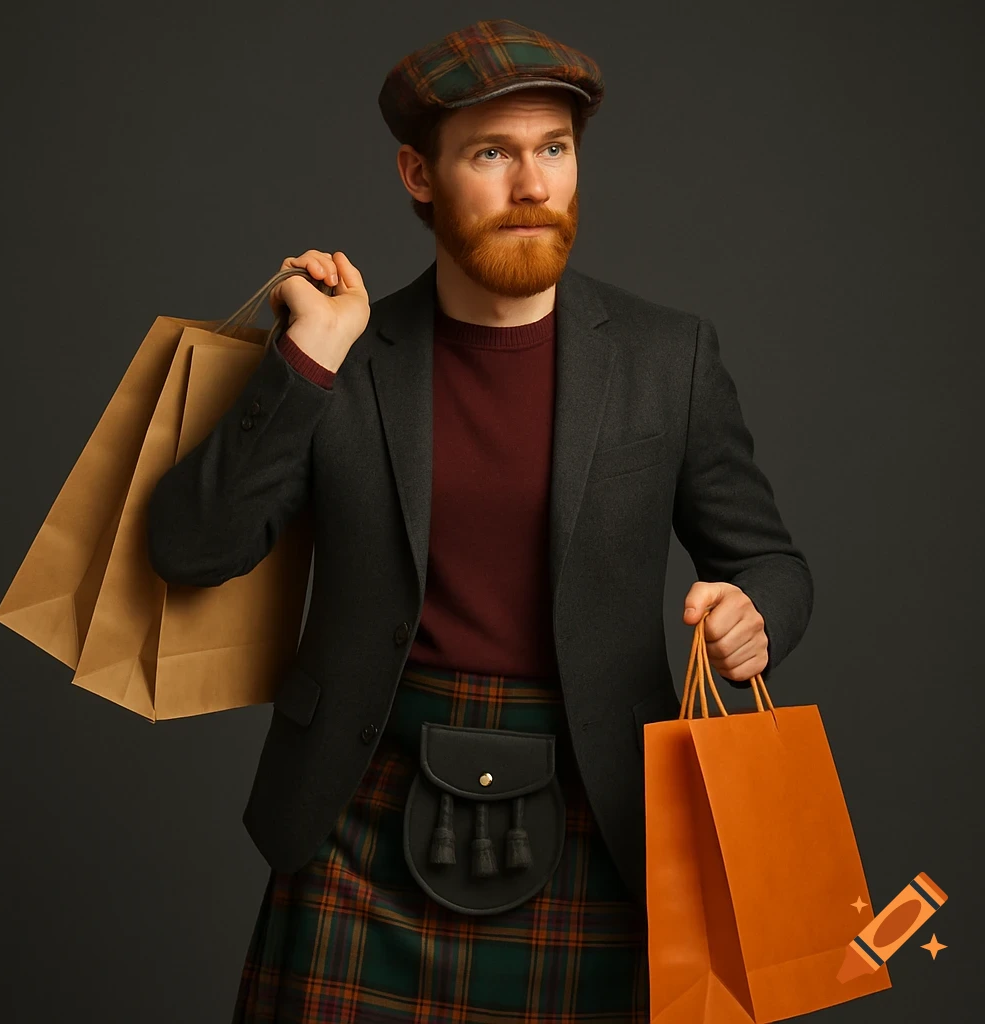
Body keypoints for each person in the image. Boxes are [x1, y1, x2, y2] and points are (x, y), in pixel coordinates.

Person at [146, 17, 813, 1023]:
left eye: (554, 149)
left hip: (599, 816)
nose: (533, 184)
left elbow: (769, 558)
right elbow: (191, 552)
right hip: (356, 812)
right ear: (419, 174)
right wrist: (306, 363)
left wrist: (753, 612)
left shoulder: (665, 358)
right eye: (492, 153)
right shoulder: (349, 357)